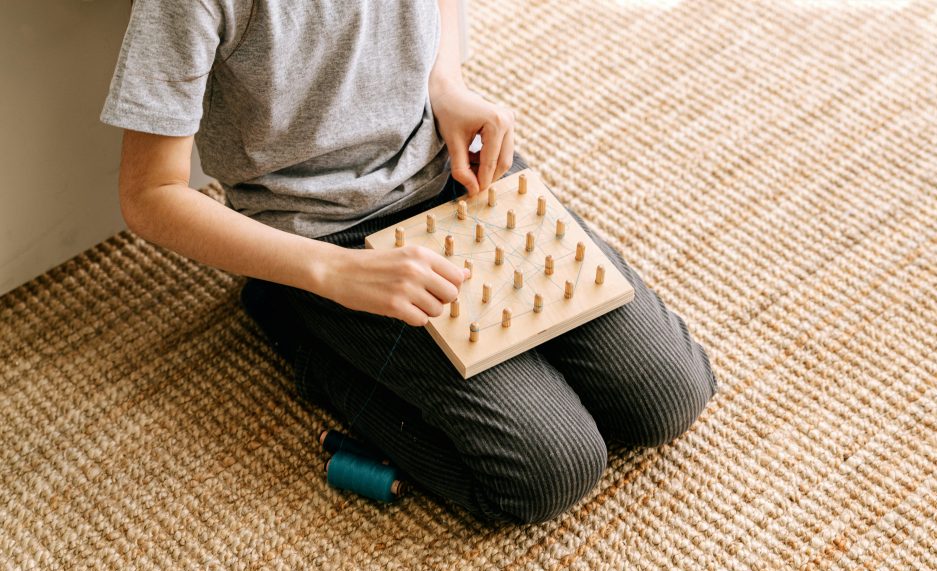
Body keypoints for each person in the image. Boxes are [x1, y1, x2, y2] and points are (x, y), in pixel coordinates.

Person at [100, 0, 717, 525]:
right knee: (551, 468)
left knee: (668, 395)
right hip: (329, 240)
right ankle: (294, 320)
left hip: (451, 172)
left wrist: (444, 83)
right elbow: (150, 195)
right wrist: (331, 274)